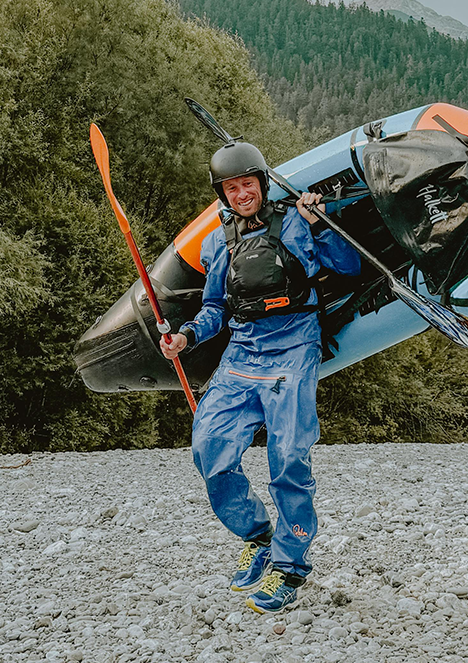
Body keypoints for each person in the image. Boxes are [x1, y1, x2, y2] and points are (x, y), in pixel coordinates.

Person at [160, 140, 360, 613]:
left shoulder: (297, 220)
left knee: (288, 457)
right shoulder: (217, 242)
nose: (241, 194)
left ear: (262, 184)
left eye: (247, 184)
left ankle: (290, 568)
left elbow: (348, 267)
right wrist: (187, 336)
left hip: (294, 348)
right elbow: (214, 308)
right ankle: (259, 537)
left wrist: (320, 224)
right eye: (231, 188)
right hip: (242, 355)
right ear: (222, 194)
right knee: (209, 448)